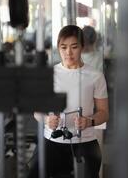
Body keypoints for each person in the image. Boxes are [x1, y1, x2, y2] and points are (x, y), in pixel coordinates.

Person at [27, 25, 109, 178]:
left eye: (74, 47)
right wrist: (46, 120)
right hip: (52, 141)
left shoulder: (96, 76)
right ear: (58, 48)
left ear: (82, 47)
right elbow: (37, 112)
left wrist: (89, 121)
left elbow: (104, 113)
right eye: (63, 47)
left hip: (85, 142)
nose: (68, 52)